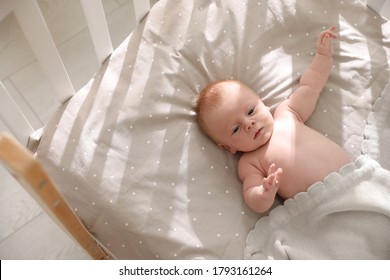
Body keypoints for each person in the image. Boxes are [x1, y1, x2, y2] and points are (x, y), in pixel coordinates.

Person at [194, 26, 352, 213]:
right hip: (325, 207)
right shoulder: (249, 163)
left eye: (251, 111)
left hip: (354, 176)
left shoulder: (287, 114)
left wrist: (323, 55)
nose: (249, 124)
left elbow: (311, 87)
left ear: (261, 102)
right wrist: (264, 193)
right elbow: (252, 196)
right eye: (235, 129)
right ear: (228, 147)